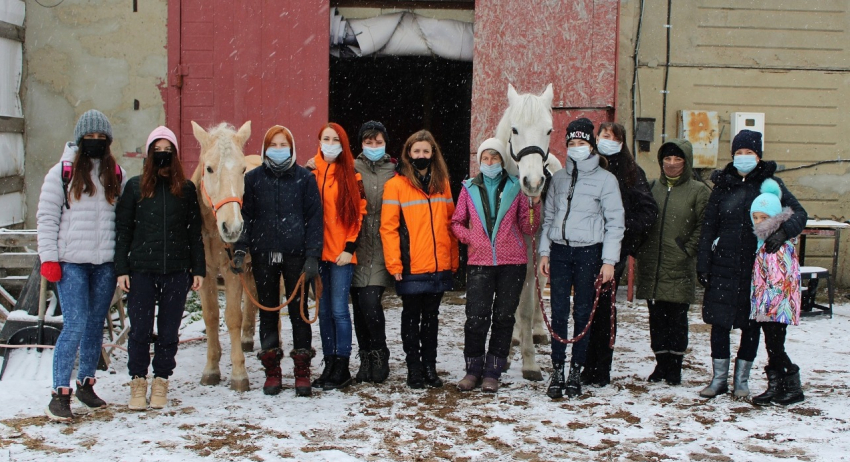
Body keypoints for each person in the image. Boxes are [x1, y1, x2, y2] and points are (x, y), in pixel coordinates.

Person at [696, 129, 806, 399]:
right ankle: (718, 379)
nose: (743, 157)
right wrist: (703, 263)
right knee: (719, 324)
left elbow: (799, 214)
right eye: (738, 153)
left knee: (750, 325)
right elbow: (709, 226)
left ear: (759, 156)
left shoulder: (770, 185)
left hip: (757, 270)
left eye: (749, 153)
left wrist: (782, 232)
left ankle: (741, 381)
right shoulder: (722, 187)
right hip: (723, 265)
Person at [36, 110, 127, 421]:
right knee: (74, 324)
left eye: (102, 139)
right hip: (71, 262)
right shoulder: (61, 174)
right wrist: (49, 258)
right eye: (90, 138)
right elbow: (47, 218)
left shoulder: (116, 174)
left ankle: (86, 383)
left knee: (94, 325)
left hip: (104, 264)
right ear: (79, 139)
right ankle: (59, 393)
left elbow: (123, 220)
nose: (96, 143)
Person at [115, 126, 205, 410]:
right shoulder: (134, 187)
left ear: (175, 154)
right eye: (158, 150)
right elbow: (123, 230)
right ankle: (138, 381)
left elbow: (194, 233)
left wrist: (198, 269)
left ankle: (162, 380)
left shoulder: (186, 189)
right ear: (149, 152)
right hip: (142, 270)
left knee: (168, 332)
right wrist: (122, 268)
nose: (163, 155)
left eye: (168, 150)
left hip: (176, 271)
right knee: (140, 330)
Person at [233, 125, 323, 397]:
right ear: (265, 148)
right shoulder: (254, 179)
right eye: (274, 145)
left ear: (292, 148)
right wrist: (240, 249)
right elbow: (246, 215)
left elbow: (314, 218)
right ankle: (272, 371)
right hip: (264, 253)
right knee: (268, 310)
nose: (279, 150)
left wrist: (312, 256)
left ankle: (302, 371)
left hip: (295, 254)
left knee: (299, 313)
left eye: (284, 145)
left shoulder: (304, 179)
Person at [538, 118, 624, 399]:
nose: (576, 148)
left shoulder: (606, 180)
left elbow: (615, 223)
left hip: (590, 252)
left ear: (592, 146)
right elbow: (549, 217)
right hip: (561, 251)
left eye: (582, 144)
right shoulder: (560, 178)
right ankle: (558, 368)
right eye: (572, 144)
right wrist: (544, 251)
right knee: (559, 311)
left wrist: (609, 260)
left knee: (583, 312)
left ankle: (577, 368)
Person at [451, 138, 541, 393]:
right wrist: (472, 238)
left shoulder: (516, 187)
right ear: (480, 161)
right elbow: (457, 222)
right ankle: (473, 369)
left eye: (495, 158)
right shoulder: (468, 188)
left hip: (512, 263)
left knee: (503, 318)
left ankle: (493, 371)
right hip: (479, 262)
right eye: (485, 159)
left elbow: (528, 227)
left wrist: (534, 203)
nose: (490, 163)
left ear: (503, 161)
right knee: (476, 318)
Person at [381, 130, 458, 389]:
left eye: (426, 151)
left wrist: (453, 260)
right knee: (411, 317)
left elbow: (451, 224)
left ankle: (430, 366)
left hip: (438, 265)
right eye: (417, 152)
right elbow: (388, 228)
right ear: (408, 154)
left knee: (432, 318)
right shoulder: (396, 185)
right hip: (411, 263)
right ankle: (414, 367)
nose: (421, 156)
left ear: (432, 154)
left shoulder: (443, 183)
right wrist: (394, 264)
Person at [582, 122, 658, 387]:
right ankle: (582, 364)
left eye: (614, 137)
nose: (608, 140)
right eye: (604, 135)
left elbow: (648, 212)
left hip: (613, 251)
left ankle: (600, 368)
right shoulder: (587, 166)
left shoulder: (631, 173)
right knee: (583, 308)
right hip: (584, 248)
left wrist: (624, 231)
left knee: (603, 311)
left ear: (622, 142)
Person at [635, 139, 710, 386]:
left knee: (676, 319)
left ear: (686, 162)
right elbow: (640, 217)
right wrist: (639, 247)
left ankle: (675, 366)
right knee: (656, 318)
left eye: (678, 159)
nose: (672, 164)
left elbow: (704, 226)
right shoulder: (652, 187)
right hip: (652, 265)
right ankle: (660, 363)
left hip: (679, 265)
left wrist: (687, 250)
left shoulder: (698, 191)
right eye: (667, 159)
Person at [309, 123, 366, 391]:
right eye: (326, 139)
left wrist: (349, 248)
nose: (330, 143)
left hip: (341, 255)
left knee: (340, 311)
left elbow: (359, 213)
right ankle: (329, 363)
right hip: (318, 255)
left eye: (335, 139)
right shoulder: (310, 173)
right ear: (319, 141)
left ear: (343, 144)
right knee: (325, 313)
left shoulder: (352, 174)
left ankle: (342, 365)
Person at [749, 179, 805, 405]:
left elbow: (782, 280)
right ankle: (776, 385)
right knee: (772, 345)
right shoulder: (763, 242)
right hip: (766, 305)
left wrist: (770, 307)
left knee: (776, 346)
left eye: (764, 218)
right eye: (756, 218)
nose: (760, 222)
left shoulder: (778, 244)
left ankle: (792, 385)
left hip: (776, 307)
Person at [350, 121, 396, 384]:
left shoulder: (395, 171)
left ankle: (380, 352)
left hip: (381, 245)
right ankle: (365, 356)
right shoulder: (350, 168)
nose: (374, 147)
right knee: (357, 306)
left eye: (378, 142)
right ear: (361, 144)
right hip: (355, 246)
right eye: (369, 142)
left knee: (370, 302)